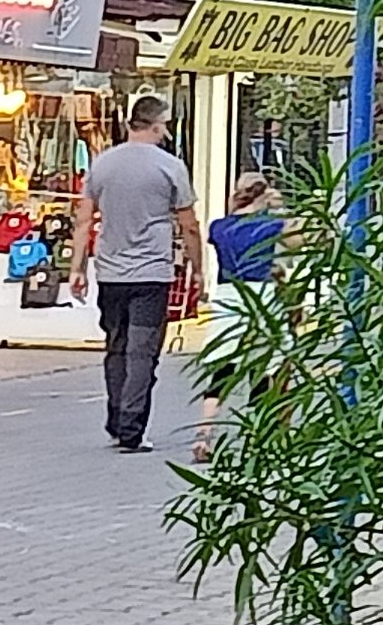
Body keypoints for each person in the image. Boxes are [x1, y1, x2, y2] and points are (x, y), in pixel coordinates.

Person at [66, 94, 201, 454]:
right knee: (142, 351)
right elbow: (189, 224)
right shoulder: (171, 167)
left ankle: (116, 419)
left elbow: (83, 221)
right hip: (152, 274)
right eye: (165, 125)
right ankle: (131, 428)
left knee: (117, 346)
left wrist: (77, 268)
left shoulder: (101, 164)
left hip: (110, 272)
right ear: (157, 125)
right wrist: (198, 268)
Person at [195, 172, 283, 461]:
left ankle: (204, 434)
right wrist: (280, 210)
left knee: (223, 366)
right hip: (261, 295)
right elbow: (302, 241)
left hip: (228, 295)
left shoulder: (219, 227)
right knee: (264, 365)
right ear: (264, 193)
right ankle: (257, 437)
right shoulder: (271, 225)